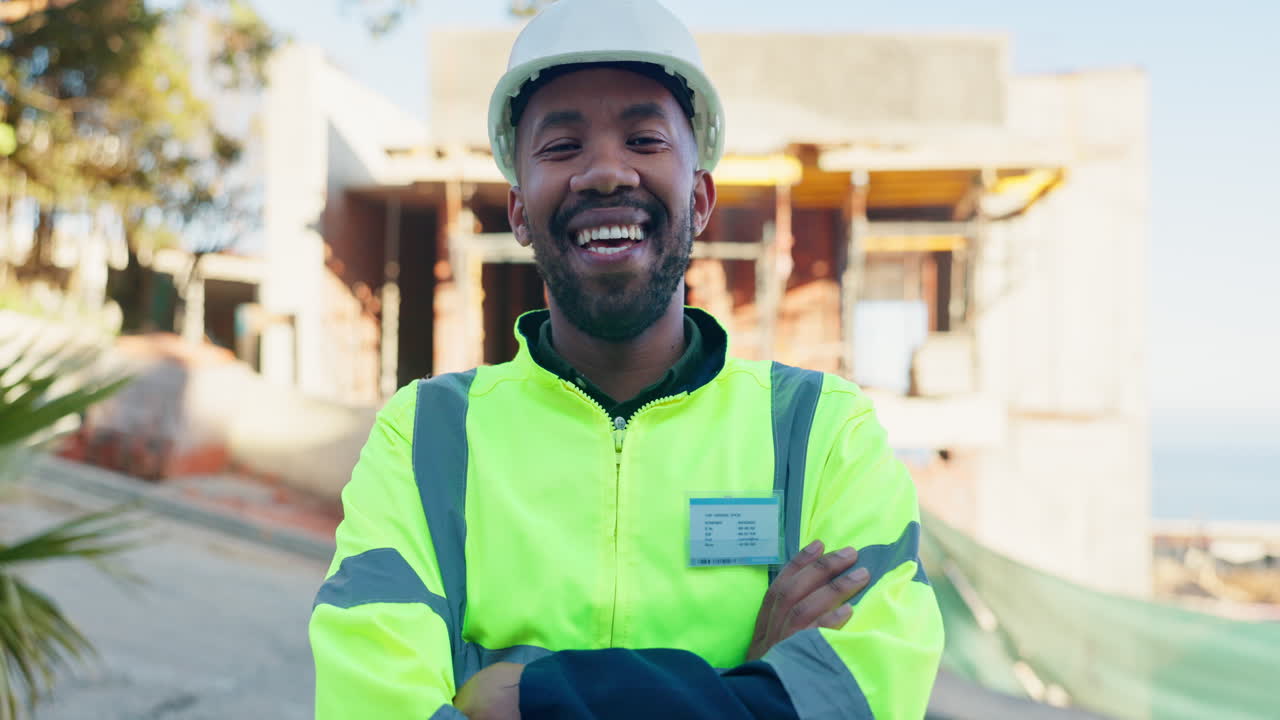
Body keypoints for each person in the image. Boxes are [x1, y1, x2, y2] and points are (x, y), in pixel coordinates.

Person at [309, 0, 943, 717]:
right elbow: (370, 697)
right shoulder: (425, 439)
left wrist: (523, 697)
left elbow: (872, 688)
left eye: (644, 139)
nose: (606, 173)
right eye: (561, 146)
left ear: (700, 198)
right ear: (518, 211)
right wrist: (747, 687)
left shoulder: (822, 433)